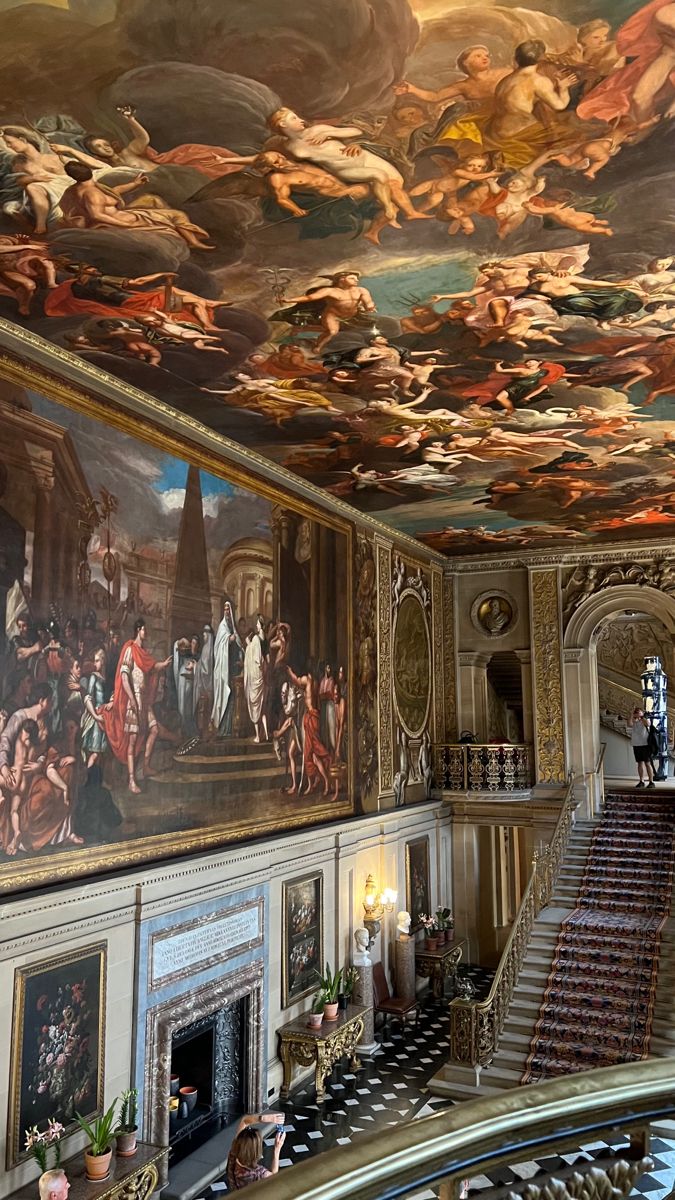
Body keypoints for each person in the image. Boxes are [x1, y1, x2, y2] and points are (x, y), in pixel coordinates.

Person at [101, 618, 172, 793]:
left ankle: (146, 766)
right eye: (144, 630)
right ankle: (131, 780)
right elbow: (125, 677)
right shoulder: (130, 649)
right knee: (132, 740)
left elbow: (152, 667)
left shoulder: (142, 652)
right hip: (134, 699)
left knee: (154, 729)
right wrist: (132, 699)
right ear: (138, 630)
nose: (146, 633)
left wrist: (163, 665)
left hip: (144, 701)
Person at [225, 1112, 286, 1191]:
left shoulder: (234, 1152)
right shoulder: (260, 1174)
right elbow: (274, 1179)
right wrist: (277, 1150)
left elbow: (244, 1121)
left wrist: (264, 1118)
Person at [212, 601, 244, 736]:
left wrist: (241, 658)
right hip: (225, 669)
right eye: (224, 609)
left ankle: (231, 729)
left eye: (228, 609)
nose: (226, 611)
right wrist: (228, 639)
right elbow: (218, 648)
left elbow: (239, 646)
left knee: (232, 699)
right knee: (226, 696)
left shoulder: (232, 628)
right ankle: (223, 729)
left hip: (233, 670)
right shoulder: (222, 628)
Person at [243, 617, 269, 743]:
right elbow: (265, 659)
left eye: (258, 624)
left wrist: (248, 645)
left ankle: (259, 736)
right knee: (262, 708)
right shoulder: (264, 640)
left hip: (256, 677)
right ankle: (266, 734)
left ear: (260, 626)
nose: (257, 625)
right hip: (262, 676)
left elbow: (255, 658)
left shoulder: (256, 639)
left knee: (255, 707)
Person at [629, 706, 656, 788]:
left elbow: (648, 724)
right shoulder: (634, 721)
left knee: (647, 763)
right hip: (636, 745)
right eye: (636, 712)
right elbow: (629, 724)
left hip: (645, 745)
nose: (637, 713)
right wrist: (631, 714)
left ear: (642, 713)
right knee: (640, 763)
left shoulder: (644, 720)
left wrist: (641, 716)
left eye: (639, 712)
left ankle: (651, 782)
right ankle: (641, 781)